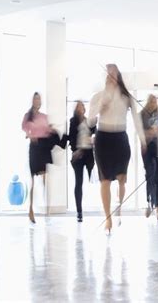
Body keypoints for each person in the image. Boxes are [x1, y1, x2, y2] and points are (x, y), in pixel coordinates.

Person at [88, 64, 146, 234]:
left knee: (122, 178)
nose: (111, 76)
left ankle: (119, 205)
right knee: (105, 180)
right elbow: (90, 121)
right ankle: (108, 218)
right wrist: (101, 105)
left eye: (114, 73)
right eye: (108, 73)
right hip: (103, 139)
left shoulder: (125, 96)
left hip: (121, 138)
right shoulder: (98, 96)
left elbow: (136, 119)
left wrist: (142, 140)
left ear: (118, 75)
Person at [22, 92, 65, 223]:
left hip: (44, 148)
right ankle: (31, 210)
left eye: (39, 99)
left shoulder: (44, 117)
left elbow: (46, 131)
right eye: (35, 98)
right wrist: (30, 135)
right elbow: (24, 129)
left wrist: (50, 129)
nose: (37, 101)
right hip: (35, 148)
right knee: (33, 181)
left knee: (46, 179)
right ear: (32, 101)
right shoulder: (27, 116)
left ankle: (48, 210)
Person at [140, 95, 158, 220]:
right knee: (150, 175)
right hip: (146, 148)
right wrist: (152, 132)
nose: (153, 104)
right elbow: (143, 133)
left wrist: (157, 132)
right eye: (151, 101)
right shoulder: (142, 115)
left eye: (155, 101)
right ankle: (150, 202)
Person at [68, 101, 95, 223]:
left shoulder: (88, 120)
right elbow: (72, 138)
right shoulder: (73, 121)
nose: (81, 108)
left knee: (93, 180)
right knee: (78, 182)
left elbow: (95, 133)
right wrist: (76, 151)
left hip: (88, 155)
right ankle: (79, 211)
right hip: (78, 156)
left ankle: (95, 206)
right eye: (79, 106)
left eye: (82, 106)